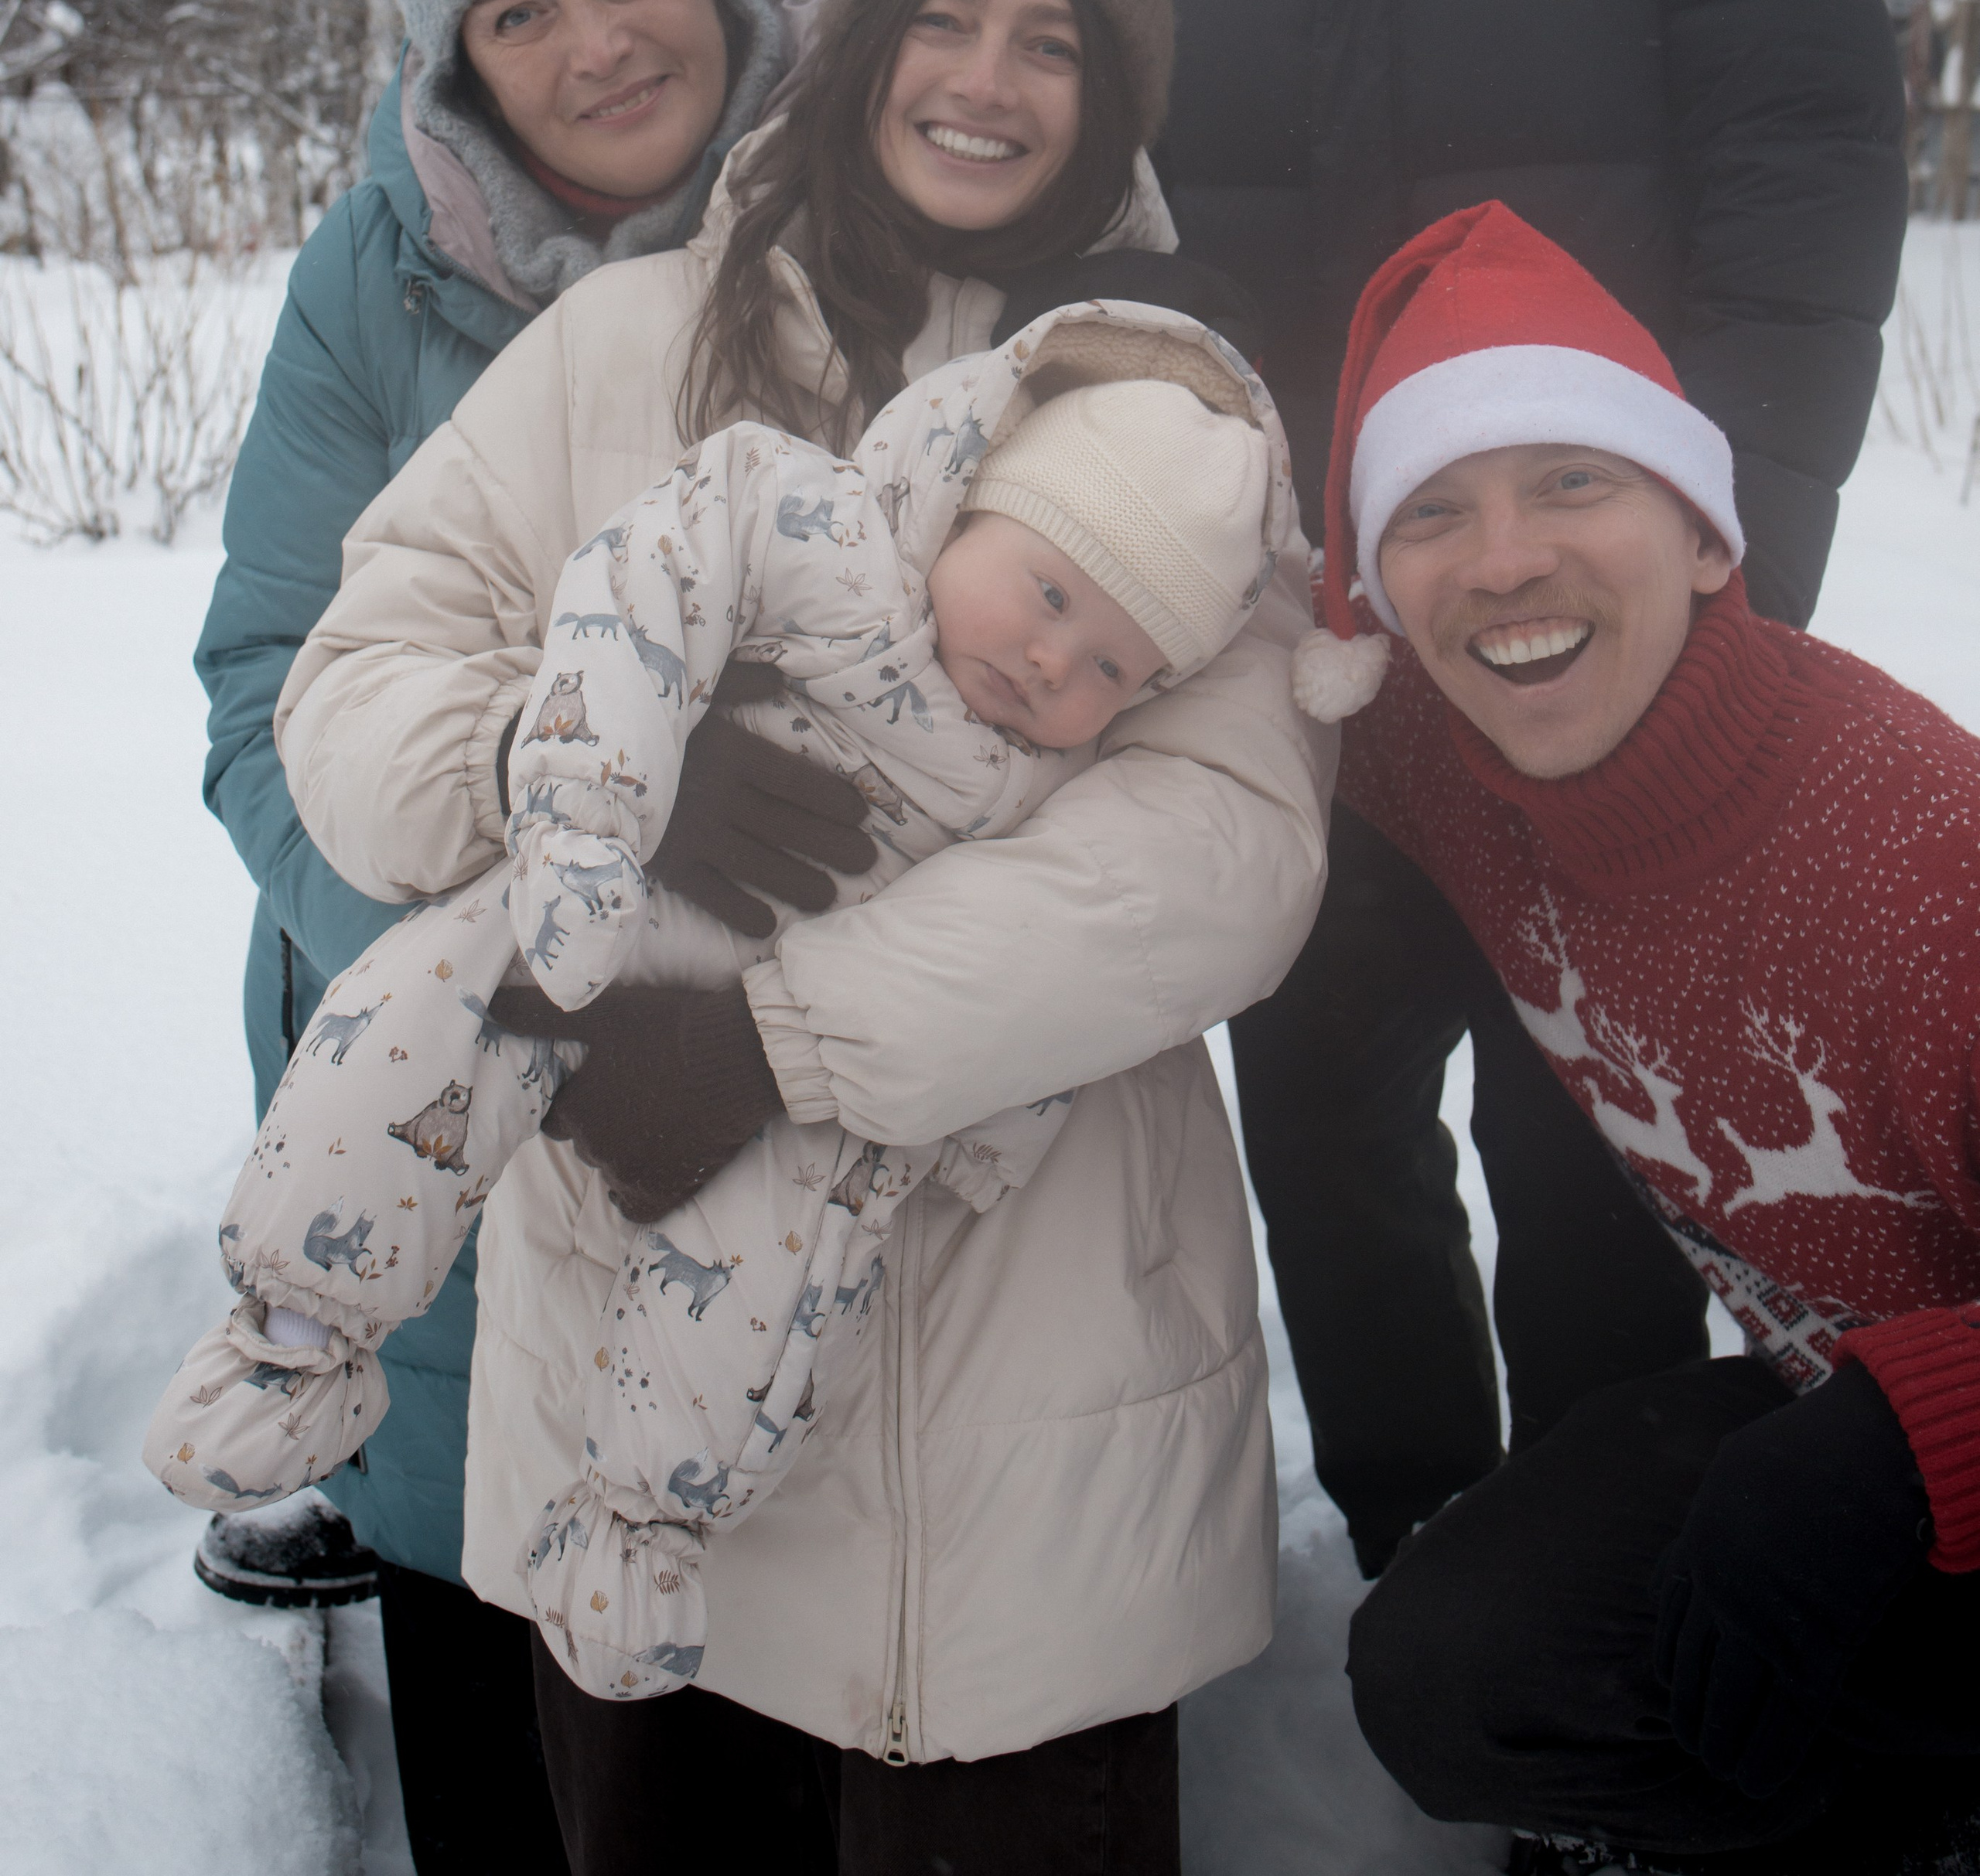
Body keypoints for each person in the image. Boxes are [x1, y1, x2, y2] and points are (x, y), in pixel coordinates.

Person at [267, 0, 1330, 1875]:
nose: (987, 79)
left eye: (1054, 44)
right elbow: (354, 683)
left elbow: (1226, 849)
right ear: (845, 47)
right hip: (643, 1429)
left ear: (1110, 107)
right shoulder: (617, 348)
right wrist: (558, 757)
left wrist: (775, 1037)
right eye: (942, 16)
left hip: (1015, 1498)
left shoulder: (1175, 410)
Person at [1087, 0, 1912, 1574]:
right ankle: (1426, 1561)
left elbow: (1794, 141)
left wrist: (1726, 526)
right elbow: (1123, 217)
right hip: (1310, 617)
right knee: (1326, 1109)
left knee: (1593, 1140)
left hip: (1603, 604)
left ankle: (1602, 1593)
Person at [152, 316, 1291, 1722]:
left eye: (1114, 666)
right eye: (1048, 592)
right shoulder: (824, 534)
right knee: (422, 1019)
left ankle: (640, 1526)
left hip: (804, 1072)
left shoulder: (1044, 785)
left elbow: (1088, 949)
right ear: (971, 502)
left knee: (770, 1270)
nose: (1058, 665)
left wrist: (932, 1124)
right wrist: (584, 795)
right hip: (602, 891)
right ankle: (293, 1335)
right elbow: (641, 587)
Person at [191, 0, 834, 1867]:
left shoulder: (877, 200)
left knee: (755, 1651)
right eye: (513, 5)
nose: (592, 39)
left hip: (792, 1099)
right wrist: (517, 958)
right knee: (498, 1672)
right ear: (447, 53)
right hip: (441, 1114)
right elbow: (265, 684)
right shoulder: (377, 280)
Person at [1282, 200, 1980, 1876]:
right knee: (1460, 1668)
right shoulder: (1458, 751)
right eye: (1433, 514)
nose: (1504, 557)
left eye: (1571, 481)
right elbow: (1146, 605)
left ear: (1708, 538)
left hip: (1914, 1440)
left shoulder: (1915, 852)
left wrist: (1903, 1439)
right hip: (1841, 1437)